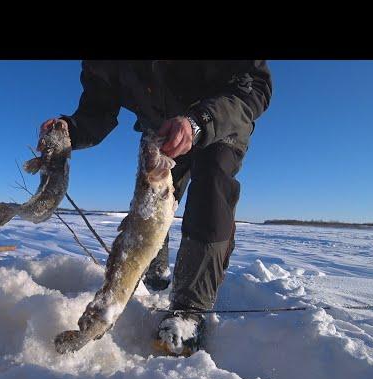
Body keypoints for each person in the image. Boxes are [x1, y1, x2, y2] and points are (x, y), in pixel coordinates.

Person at [39, 60, 272, 356]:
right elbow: (97, 110)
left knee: (211, 185)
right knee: (148, 207)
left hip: (218, 118)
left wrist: (198, 122)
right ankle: (153, 268)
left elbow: (255, 85)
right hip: (160, 128)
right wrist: (71, 128)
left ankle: (189, 311)